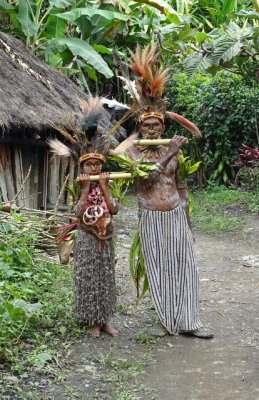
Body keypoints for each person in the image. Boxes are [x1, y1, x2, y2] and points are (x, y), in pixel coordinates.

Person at [121, 45, 214, 338]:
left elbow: (182, 186)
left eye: (156, 124)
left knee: (185, 265)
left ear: (161, 126)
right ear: (140, 126)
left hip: (175, 212)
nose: (151, 129)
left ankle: (190, 322)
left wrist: (187, 220)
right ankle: (168, 322)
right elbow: (146, 180)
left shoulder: (175, 153)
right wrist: (169, 151)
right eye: (146, 125)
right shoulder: (133, 151)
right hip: (150, 215)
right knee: (159, 268)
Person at [74, 153, 118, 338]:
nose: (93, 168)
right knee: (89, 278)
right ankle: (92, 321)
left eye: (97, 164)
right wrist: (85, 189)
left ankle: (105, 320)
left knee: (105, 278)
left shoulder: (107, 183)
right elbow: (77, 213)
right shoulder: (78, 185)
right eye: (89, 165)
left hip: (105, 236)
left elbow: (114, 209)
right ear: (82, 167)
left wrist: (105, 186)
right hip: (86, 236)